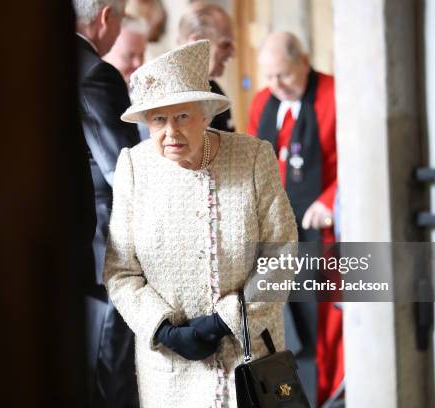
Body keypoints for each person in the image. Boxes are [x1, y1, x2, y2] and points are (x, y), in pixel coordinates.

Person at [104, 40, 298, 407]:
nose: (170, 133)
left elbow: (282, 254)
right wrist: (163, 328)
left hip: (249, 357)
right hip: (169, 370)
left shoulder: (253, 157)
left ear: (205, 114)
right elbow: (120, 271)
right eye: (158, 119)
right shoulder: (133, 167)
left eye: (182, 117)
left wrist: (225, 320)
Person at [247, 31, 343, 406]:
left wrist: (331, 199)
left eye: (283, 75)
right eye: (268, 77)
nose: (276, 86)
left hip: (323, 233)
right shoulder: (262, 103)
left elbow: (357, 159)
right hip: (275, 236)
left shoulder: (336, 95)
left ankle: (325, 397)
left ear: (304, 61)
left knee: (320, 325)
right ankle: (287, 398)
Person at [73, 0, 141, 407]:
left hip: (73, 247)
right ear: (106, 16)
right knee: (110, 375)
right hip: (104, 245)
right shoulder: (95, 72)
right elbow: (123, 170)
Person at [178, 2, 236, 132]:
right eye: (225, 44)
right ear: (197, 42)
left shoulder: (215, 91)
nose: (233, 53)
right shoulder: (168, 98)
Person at [104, 16, 151, 140]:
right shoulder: (99, 98)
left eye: (142, 54)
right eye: (129, 56)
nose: (138, 63)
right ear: (106, 53)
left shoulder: (151, 90)